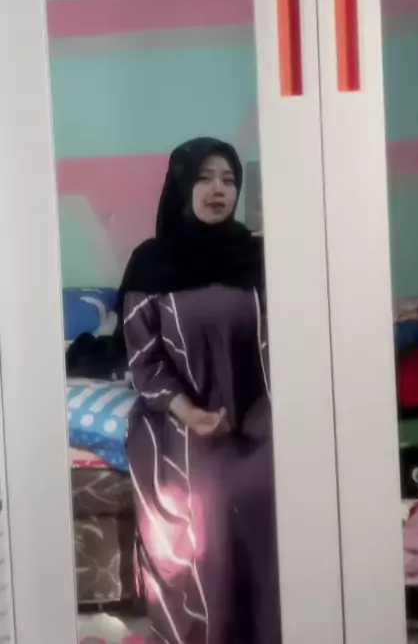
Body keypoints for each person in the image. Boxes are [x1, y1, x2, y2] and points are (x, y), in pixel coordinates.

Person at [118, 137, 281, 644]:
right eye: (205, 178)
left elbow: (290, 337)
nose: (218, 190)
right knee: (207, 501)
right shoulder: (151, 264)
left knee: (273, 484)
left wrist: (266, 408)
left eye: (229, 180)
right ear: (182, 186)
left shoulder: (259, 257)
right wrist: (189, 411)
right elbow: (144, 358)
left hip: (258, 412)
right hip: (180, 419)